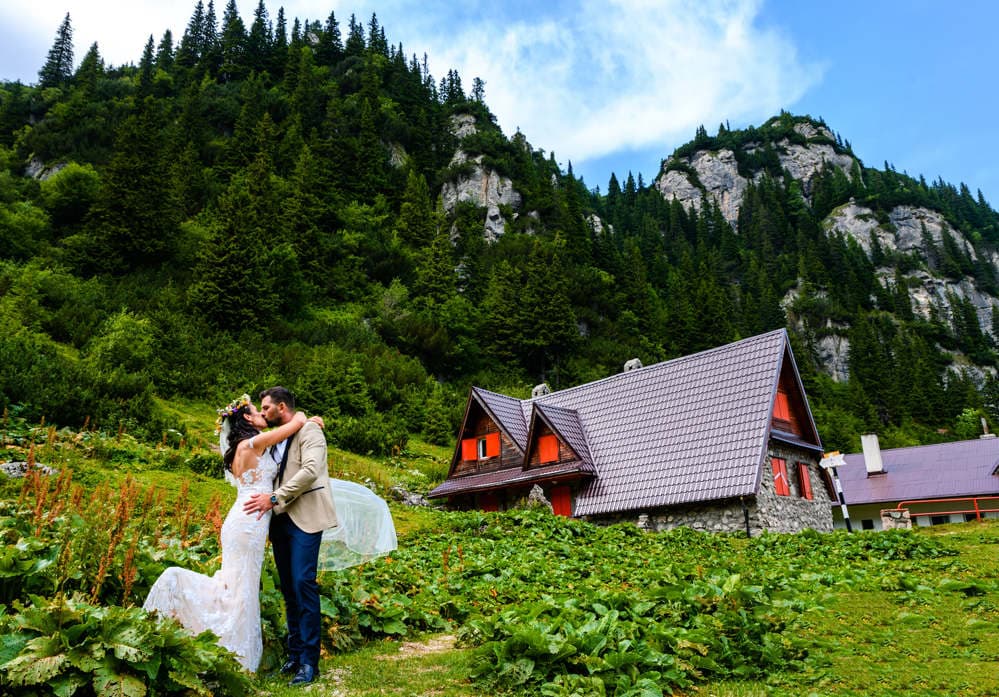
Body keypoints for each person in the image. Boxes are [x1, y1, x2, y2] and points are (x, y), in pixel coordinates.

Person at [143, 394, 311, 672]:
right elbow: (288, 428)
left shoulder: (242, 449)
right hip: (248, 522)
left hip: (245, 521)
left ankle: (227, 649)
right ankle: (235, 654)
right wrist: (303, 418)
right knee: (241, 588)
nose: (263, 416)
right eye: (258, 412)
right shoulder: (251, 444)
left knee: (238, 586)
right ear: (247, 418)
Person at [243, 386, 337, 686]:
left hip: (305, 517)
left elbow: (310, 470)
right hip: (279, 522)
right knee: (288, 588)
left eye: (267, 407)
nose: (263, 412)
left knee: (302, 583)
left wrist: (273, 498)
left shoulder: (310, 431)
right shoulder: (276, 438)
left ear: (282, 407)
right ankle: (295, 655)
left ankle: (310, 663)